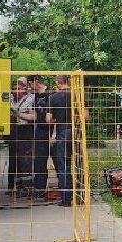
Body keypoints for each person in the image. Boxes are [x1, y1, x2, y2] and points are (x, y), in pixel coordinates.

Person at [47, 75, 77, 208]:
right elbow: (86, 116)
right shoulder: (77, 95)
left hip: (62, 133)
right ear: (68, 82)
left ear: (57, 83)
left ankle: (66, 199)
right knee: (79, 163)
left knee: (64, 165)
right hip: (76, 132)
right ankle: (80, 196)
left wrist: (56, 119)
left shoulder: (52, 97)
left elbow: (48, 119)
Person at [8, 78, 37, 196]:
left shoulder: (30, 99)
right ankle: (15, 187)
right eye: (13, 89)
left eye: (19, 89)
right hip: (13, 131)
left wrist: (18, 114)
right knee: (14, 160)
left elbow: (34, 117)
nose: (16, 91)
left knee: (25, 161)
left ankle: (27, 188)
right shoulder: (9, 99)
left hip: (26, 131)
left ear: (24, 89)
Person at [28, 75, 54, 200]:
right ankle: (40, 190)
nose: (29, 87)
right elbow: (35, 115)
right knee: (39, 160)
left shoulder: (51, 93)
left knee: (56, 159)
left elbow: (56, 114)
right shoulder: (36, 96)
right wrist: (17, 113)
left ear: (35, 82)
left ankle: (64, 190)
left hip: (52, 130)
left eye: (30, 84)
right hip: (40, 129)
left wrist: (53, 134)